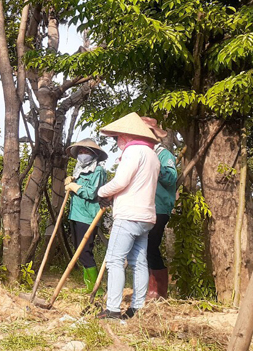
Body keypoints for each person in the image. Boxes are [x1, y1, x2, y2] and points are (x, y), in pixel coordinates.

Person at [96, 112, 161, 320]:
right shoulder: (152, 154)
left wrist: (101, 192)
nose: (117, 141)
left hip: (129, 215)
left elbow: (121, 182)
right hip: (146, 216)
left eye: (117, 137)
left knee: (115, 260)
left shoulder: (133, 152)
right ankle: (137, 308)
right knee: (139, 262)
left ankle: (113, 309)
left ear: (126, 135)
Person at [64, 138, 108, 292]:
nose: (83, 154)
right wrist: (71, 182)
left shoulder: (98, 171)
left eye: (87, 152)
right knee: (78, 251)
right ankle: (88, 285)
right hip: (76, 215)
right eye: (81, 152)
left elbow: (91, 193)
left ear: (94, 154)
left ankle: (96, 288)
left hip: (89, 217)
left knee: (85, 252)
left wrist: (75, 186)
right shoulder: (79, 170)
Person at [141, 116, 177, 300]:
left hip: (159, 207)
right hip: (142, 206)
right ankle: (147, 288)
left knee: (150, 246)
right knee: (142, 247)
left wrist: (154, 165)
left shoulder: (163, 155)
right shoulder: (138, 153)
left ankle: (158, 290)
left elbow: (171, 178)